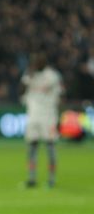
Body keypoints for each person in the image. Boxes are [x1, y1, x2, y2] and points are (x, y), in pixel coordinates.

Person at [21, 53, 64, 188]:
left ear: (44, 63)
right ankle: (31, 178)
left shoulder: (52, 76)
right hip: (33, 114)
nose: (35, 64)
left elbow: (59, 96)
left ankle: (51, 179)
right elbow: (21, 89)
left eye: (37, 61)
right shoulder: (29, 75)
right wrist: (28, 77)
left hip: (48, 115)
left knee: (50, 146)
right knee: (32, 146)